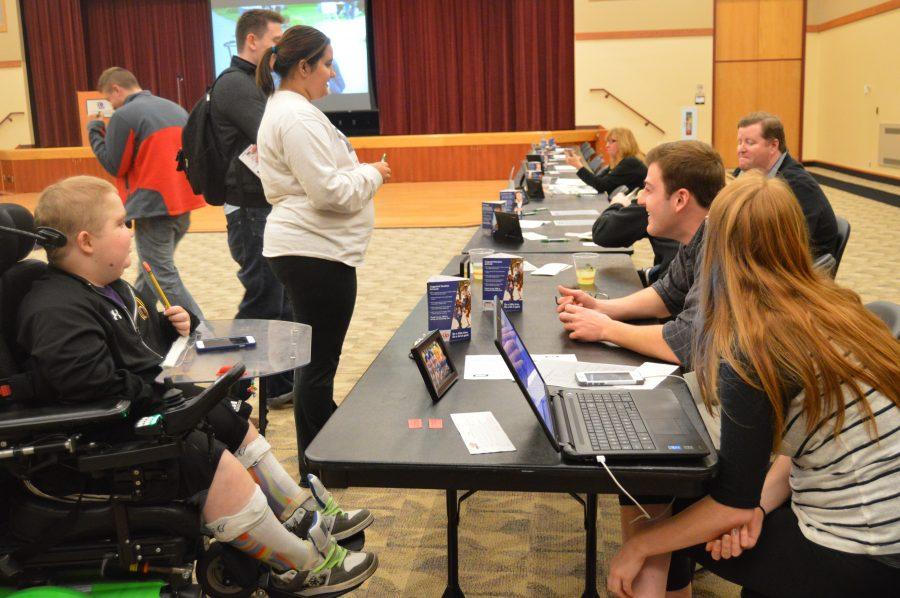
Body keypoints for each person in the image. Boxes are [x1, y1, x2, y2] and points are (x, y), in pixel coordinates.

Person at [17, 176, 378, 596]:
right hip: (100, 435)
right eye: (121, 223)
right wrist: (164, 388)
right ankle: (300, 567)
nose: (131, 230)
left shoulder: (109, 288)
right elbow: (90, 384)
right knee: (206, 454)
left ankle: (295, 513)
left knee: (224, 417)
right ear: (86, 241)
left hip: (136, 405)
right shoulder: (56, 309)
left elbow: (137, 350)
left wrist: (173, 331)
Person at [606, 172, 900, 598]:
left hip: (862, 555)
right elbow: (799, 443)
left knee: (659, 491)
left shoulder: (754, 348)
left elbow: (729, 502)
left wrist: (641, 543)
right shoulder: (837, 304)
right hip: (885, 528)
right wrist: (756, 506)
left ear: (717, 249)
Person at [255, 25, 391, 477]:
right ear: (303, 67)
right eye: (327, 64)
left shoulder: (295, 111)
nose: (332, 75)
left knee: (315, 359)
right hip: (313, 253)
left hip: (315, 250)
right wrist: (372, 173)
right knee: (317, 365)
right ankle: (319, 464)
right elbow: (329, 191)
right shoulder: (294, 116)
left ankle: (326, 445)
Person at [557, 140, 726, 367]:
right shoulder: (698, 236)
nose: (641, 199)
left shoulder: (719, 249)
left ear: (680, 199)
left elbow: (687, 343)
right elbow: (668, 294)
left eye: (648, 189)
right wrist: (602, 308)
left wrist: (606, 328)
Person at [210, 9, 294, 408]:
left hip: (261, 206)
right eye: (275, 42)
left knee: (280, 298)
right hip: (248, 210)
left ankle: (279, 386)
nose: (280, 50)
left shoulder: (252, 83)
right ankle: (228, 387)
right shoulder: (235, 86)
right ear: (252, 41)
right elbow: (275, 136)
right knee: (263, 296)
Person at [87, 67, 205, 319]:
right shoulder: (174, 108)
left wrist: (95, 134)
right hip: (182, 203)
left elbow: (114, 165)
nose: (110, 106)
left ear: (116, 90)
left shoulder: (124, 116)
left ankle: (203, 331)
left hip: (153, 207)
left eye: (108, 99)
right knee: (149, 270)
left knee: (161, 277)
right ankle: (137, 318)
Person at [573, 127, 679, 282]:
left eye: (647, 188)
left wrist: (616, 204)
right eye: (607, 141)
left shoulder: (631, 164)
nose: (607, 145)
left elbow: (602, 232)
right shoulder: (687, 259)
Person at [736, 111, 838, 258]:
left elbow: (790, 244)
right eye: (739, 142)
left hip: (798, 268)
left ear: (773, 145)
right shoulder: (745, 174)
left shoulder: (798, 185)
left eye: (749, 142)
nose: (741, 149)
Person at [566, 127, 647, 194]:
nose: (607, 145)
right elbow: (598, 180)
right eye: (607, 141)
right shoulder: (620, 161)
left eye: (613, 141)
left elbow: (601, 186)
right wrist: (579, 165)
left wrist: (579, 166)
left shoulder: (631, 162)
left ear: (624, 143)